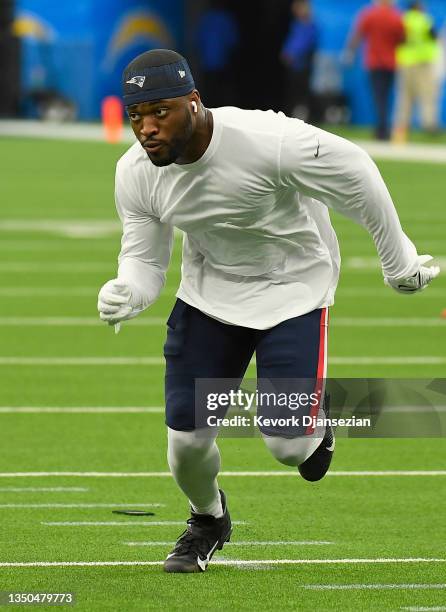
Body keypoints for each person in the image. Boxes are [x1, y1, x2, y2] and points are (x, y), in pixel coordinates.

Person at [97, 49, 439, 573]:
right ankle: (208, 520)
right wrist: (127, 290)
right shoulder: (136, 172)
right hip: (209, 295)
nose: (146, 128)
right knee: (186, 448)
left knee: (288, 445)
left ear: (193, 102)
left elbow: (358, 175)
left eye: (160, 111)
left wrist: (399, 261)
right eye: (136, 114)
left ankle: (317, 426)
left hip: (293, 291)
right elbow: (144, 261)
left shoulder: (269, 142)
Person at [345, 0, 405, 140]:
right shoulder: (396, 16)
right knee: (386, 96)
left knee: (378, 97)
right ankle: (384, 128)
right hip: (391, 62)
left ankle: (381, 129)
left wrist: (350, 53)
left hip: (374, 62)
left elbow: (357, 34)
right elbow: (402, 39)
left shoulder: (369, 14)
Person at [393, 1, 441, 142]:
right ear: (418, 7)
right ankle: (429, 125)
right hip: (423, 63)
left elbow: (397, 39)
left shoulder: (402, 19)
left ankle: (401, 128)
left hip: (405, 62)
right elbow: (434, 36)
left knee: (405, 97)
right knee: (427, 95)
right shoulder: (424, 19)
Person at [195, 0, 239, 108]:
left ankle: (208, 112)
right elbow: (232, 40)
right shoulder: (226, 18)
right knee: (222, 91)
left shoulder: (206, 18)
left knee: (209, 90)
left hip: (207, 62)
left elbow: (198, 39)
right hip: (222, 61)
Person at [281, 0, 318, 120]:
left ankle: (305, 115)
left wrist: (294, 54)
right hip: (294, 65)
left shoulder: (310, 26)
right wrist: (286, 53)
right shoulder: (296, 25)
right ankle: (295, 113)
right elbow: (291, 42)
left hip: (304, 64)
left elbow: (306, 44)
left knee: (304, 92)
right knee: (294, 91)